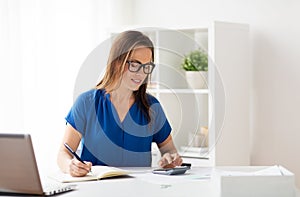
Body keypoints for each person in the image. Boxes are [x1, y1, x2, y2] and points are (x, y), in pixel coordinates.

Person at [57, 30, 182, 177]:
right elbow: (63, 154)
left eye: (147, 66)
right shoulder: (86, 103)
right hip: (95, 189)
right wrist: (69, 165)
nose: (141, 73)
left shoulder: (152, 107)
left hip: (139, 190)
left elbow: (170, 151)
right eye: (135, 65)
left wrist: (170, 158)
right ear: (117, 63)